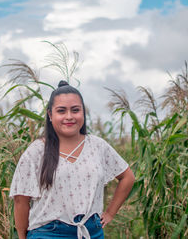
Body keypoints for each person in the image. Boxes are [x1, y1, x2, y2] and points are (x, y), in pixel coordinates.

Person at [9, 80, 135, 239]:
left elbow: (127, 177)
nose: (69, 116)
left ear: (83, 112)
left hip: (91, 232)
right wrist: (22, 236)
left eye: (75, 110)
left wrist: (109, 213)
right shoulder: (36, 151)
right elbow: (21, 199)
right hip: (48, 233)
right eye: (61, 111)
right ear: (50, 114)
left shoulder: (97, 146)